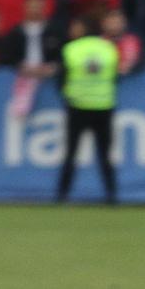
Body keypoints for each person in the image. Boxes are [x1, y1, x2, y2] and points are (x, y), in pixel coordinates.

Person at [56, 17, 119, 205]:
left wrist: (70, 95)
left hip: (77, 106)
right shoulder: (109, 49)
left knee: (71, 153)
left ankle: (62, 195)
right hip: (103, 106)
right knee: (105, 155)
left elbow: (61, 80)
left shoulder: (71, 49)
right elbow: (115, 78)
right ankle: (111, 195)